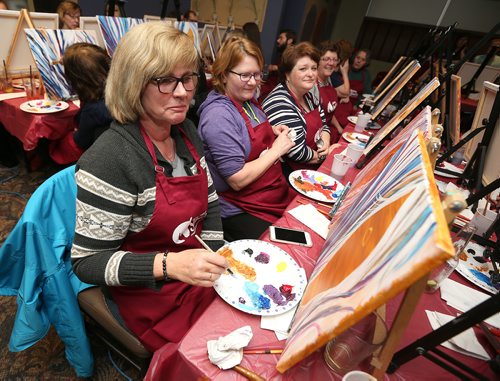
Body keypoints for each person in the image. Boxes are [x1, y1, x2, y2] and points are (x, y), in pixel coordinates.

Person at [71, 22, 227, 352]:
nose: (184, 91)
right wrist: (171, 265)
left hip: (192, 270)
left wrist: (211, 253)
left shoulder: (185, 130)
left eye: (188, 77)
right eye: (165, 80)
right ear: (134, 83)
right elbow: (88, 264)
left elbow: (210, 202)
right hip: (146, 290)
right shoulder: (110, 158)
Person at [198, 36, 295, 241]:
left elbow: (248, 133)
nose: (252, 82)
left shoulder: (247, 100)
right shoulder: (218, 116)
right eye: (244, 75)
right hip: (242, 207)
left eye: (257, 74)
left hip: (269, 194)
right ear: (223, 75)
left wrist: (272, 131)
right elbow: (237, 180)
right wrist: (277, 150)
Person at [262, 42, 339, 175]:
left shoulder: (309, 96)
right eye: (303, 69)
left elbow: (324, 125)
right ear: (287, 74)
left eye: (314, 68)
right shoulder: (280, 102)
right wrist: (326, 155)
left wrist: (325, 143)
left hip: (311, 166)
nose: (310, 74)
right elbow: (297, 152)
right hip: (288, 173)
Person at [49, 43, 113, 164]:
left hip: (97, 154)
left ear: (76, 80)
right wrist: (70, 61)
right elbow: (90, 60)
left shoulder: (94, 109)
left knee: (58, 144)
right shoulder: (117, 91)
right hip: (119, 147)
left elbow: (81, 141)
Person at [310, 41, 344, 142]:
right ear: (317, 60)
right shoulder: (311, 85)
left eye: (334, 59)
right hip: (317, 138)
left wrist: (340, 129)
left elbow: (329, 113)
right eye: (326, 59)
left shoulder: (329, 82)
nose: (331, 63)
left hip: (329, 133)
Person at [260, 28, 297, 101]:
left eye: (281, 38)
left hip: (275, 89)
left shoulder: (293, 54)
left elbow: (292, 69)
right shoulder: (282, 53)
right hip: (269, 85)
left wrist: (276, 67)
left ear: (289, 41)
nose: (278, 40)